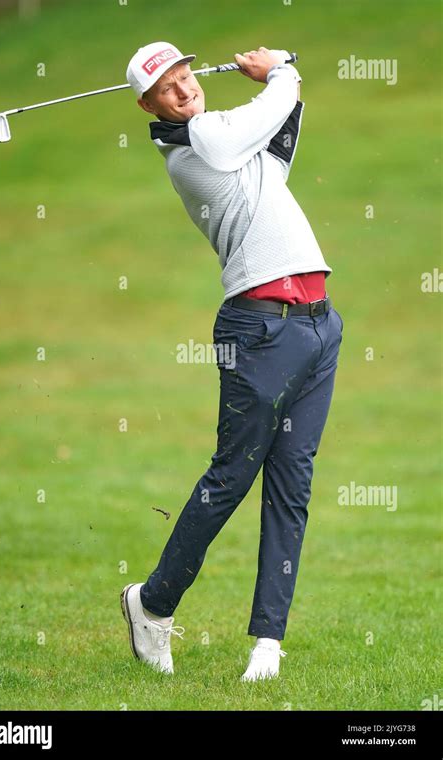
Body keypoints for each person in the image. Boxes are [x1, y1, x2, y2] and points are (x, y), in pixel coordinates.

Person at [120, 41, 344, 682]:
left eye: (186, 74)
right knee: (231, 478)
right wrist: (281, 71)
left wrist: (282, 89)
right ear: (149, 105)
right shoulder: (195, 147)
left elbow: (276, 139)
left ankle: (267, 646)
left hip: (318, 326)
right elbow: (254, 120)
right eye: (167, 85)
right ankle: (152, 603)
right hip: (257, 330)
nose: (183, 88)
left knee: (292, 487)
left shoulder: (232, 143)